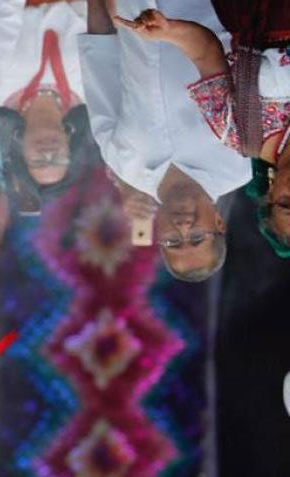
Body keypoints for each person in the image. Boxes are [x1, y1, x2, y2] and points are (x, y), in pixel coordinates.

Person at [79, 0, 250, 282]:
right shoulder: (243, 162)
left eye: (173, 242)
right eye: (197, 238)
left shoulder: (123, 164)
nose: (183, 227)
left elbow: (99, 51)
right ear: (220, 223)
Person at [115, 9, 290, 258]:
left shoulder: (239, 131)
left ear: (269, 195)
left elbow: (205, 50)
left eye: (286, 203)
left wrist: (168, 30)